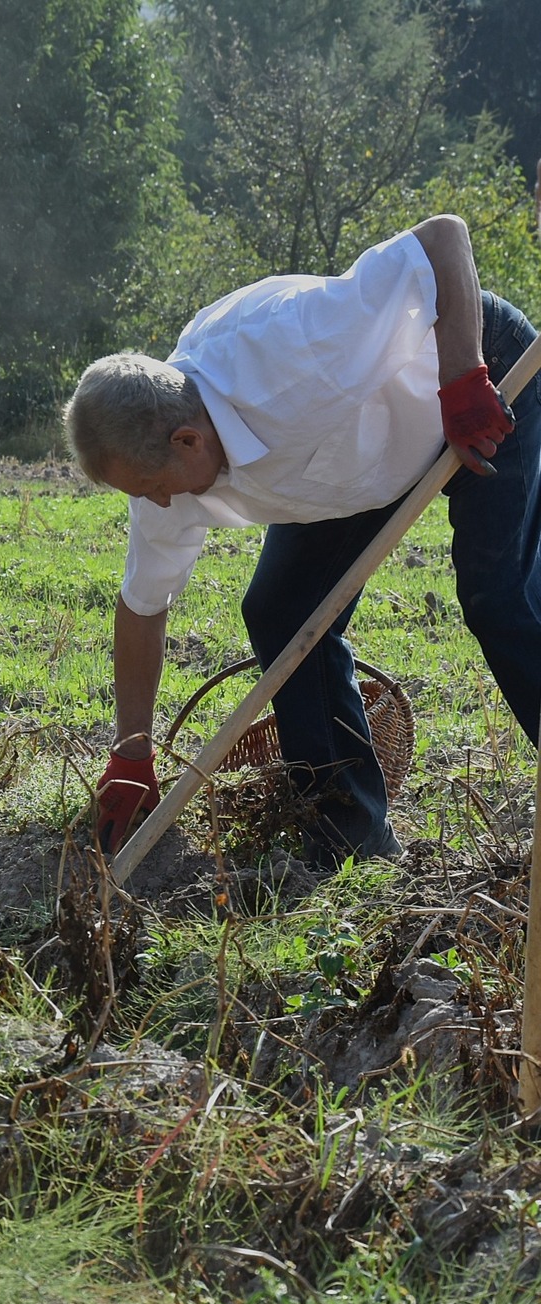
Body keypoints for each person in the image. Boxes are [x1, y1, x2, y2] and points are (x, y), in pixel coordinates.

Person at [65, 214, 537, 866]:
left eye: (151, 487)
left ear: (187, 441)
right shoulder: (164, 462)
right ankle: (352, 835)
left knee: (499, 595)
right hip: (362, 458)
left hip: (477, 374)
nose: (157, 505)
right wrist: (131, 749)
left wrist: (461, 378)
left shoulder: (296, 348)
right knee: (281, 610)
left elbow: (443, 239)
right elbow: (142, 607)